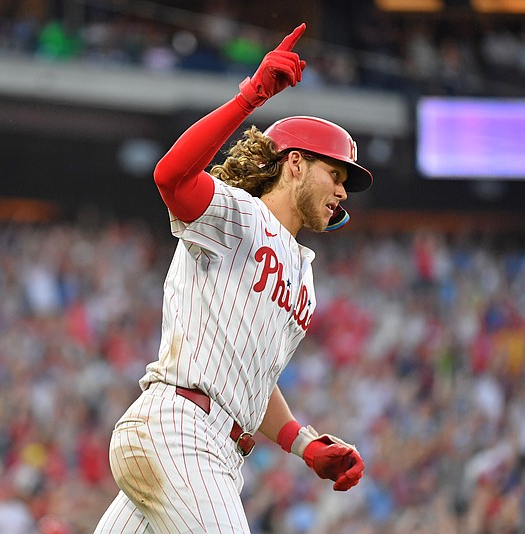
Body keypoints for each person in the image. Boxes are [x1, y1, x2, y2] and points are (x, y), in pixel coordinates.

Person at [95, 22, 368, 533]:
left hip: (210, 447)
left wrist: (304, 444)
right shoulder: (240, 214)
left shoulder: (304, 278)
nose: (344, 191)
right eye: (336, 174)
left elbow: (254, 383)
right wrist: (251, 97)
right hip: (181, 429)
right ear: (294, 164)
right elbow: (171, 177)